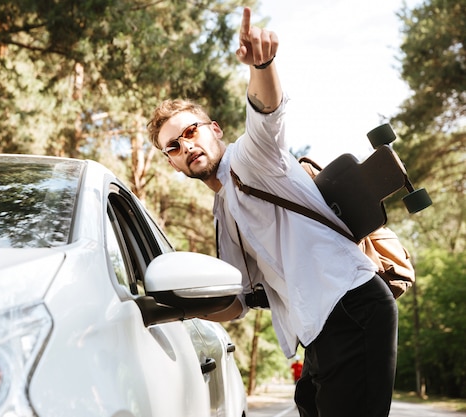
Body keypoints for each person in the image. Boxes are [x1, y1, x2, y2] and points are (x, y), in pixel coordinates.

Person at [146, 7, 398, 417]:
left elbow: (267, 112)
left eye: (191, 131)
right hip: (317, 331)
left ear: (215, 130)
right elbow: (235, 302)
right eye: (173, 146)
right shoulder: (223, 209)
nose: (186, 146)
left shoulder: (252, 159)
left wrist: (262, 64)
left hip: (351, 305)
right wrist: (169, 306)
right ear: (171, 163)